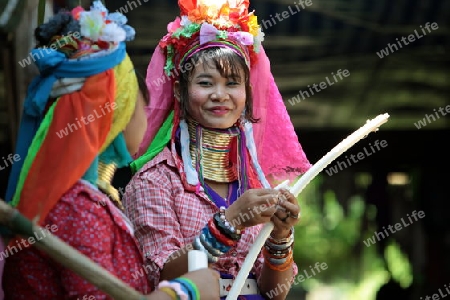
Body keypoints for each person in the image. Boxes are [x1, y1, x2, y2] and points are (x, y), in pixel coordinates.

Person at [1, 1, 219, 299]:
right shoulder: (76, 208)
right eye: (142, 102)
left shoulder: (74, 197)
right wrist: (186, 291)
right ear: (119, 109)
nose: (149, 113)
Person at [123, 1, 312, 299]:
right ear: (180, 91)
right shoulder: (156, 180)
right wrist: (229, 223)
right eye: (205, 82)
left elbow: (275, 293)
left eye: (233, 83)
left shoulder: (256, 182)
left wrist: (280, 236)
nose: (220, 95)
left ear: (247, 92)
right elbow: (160, 275)